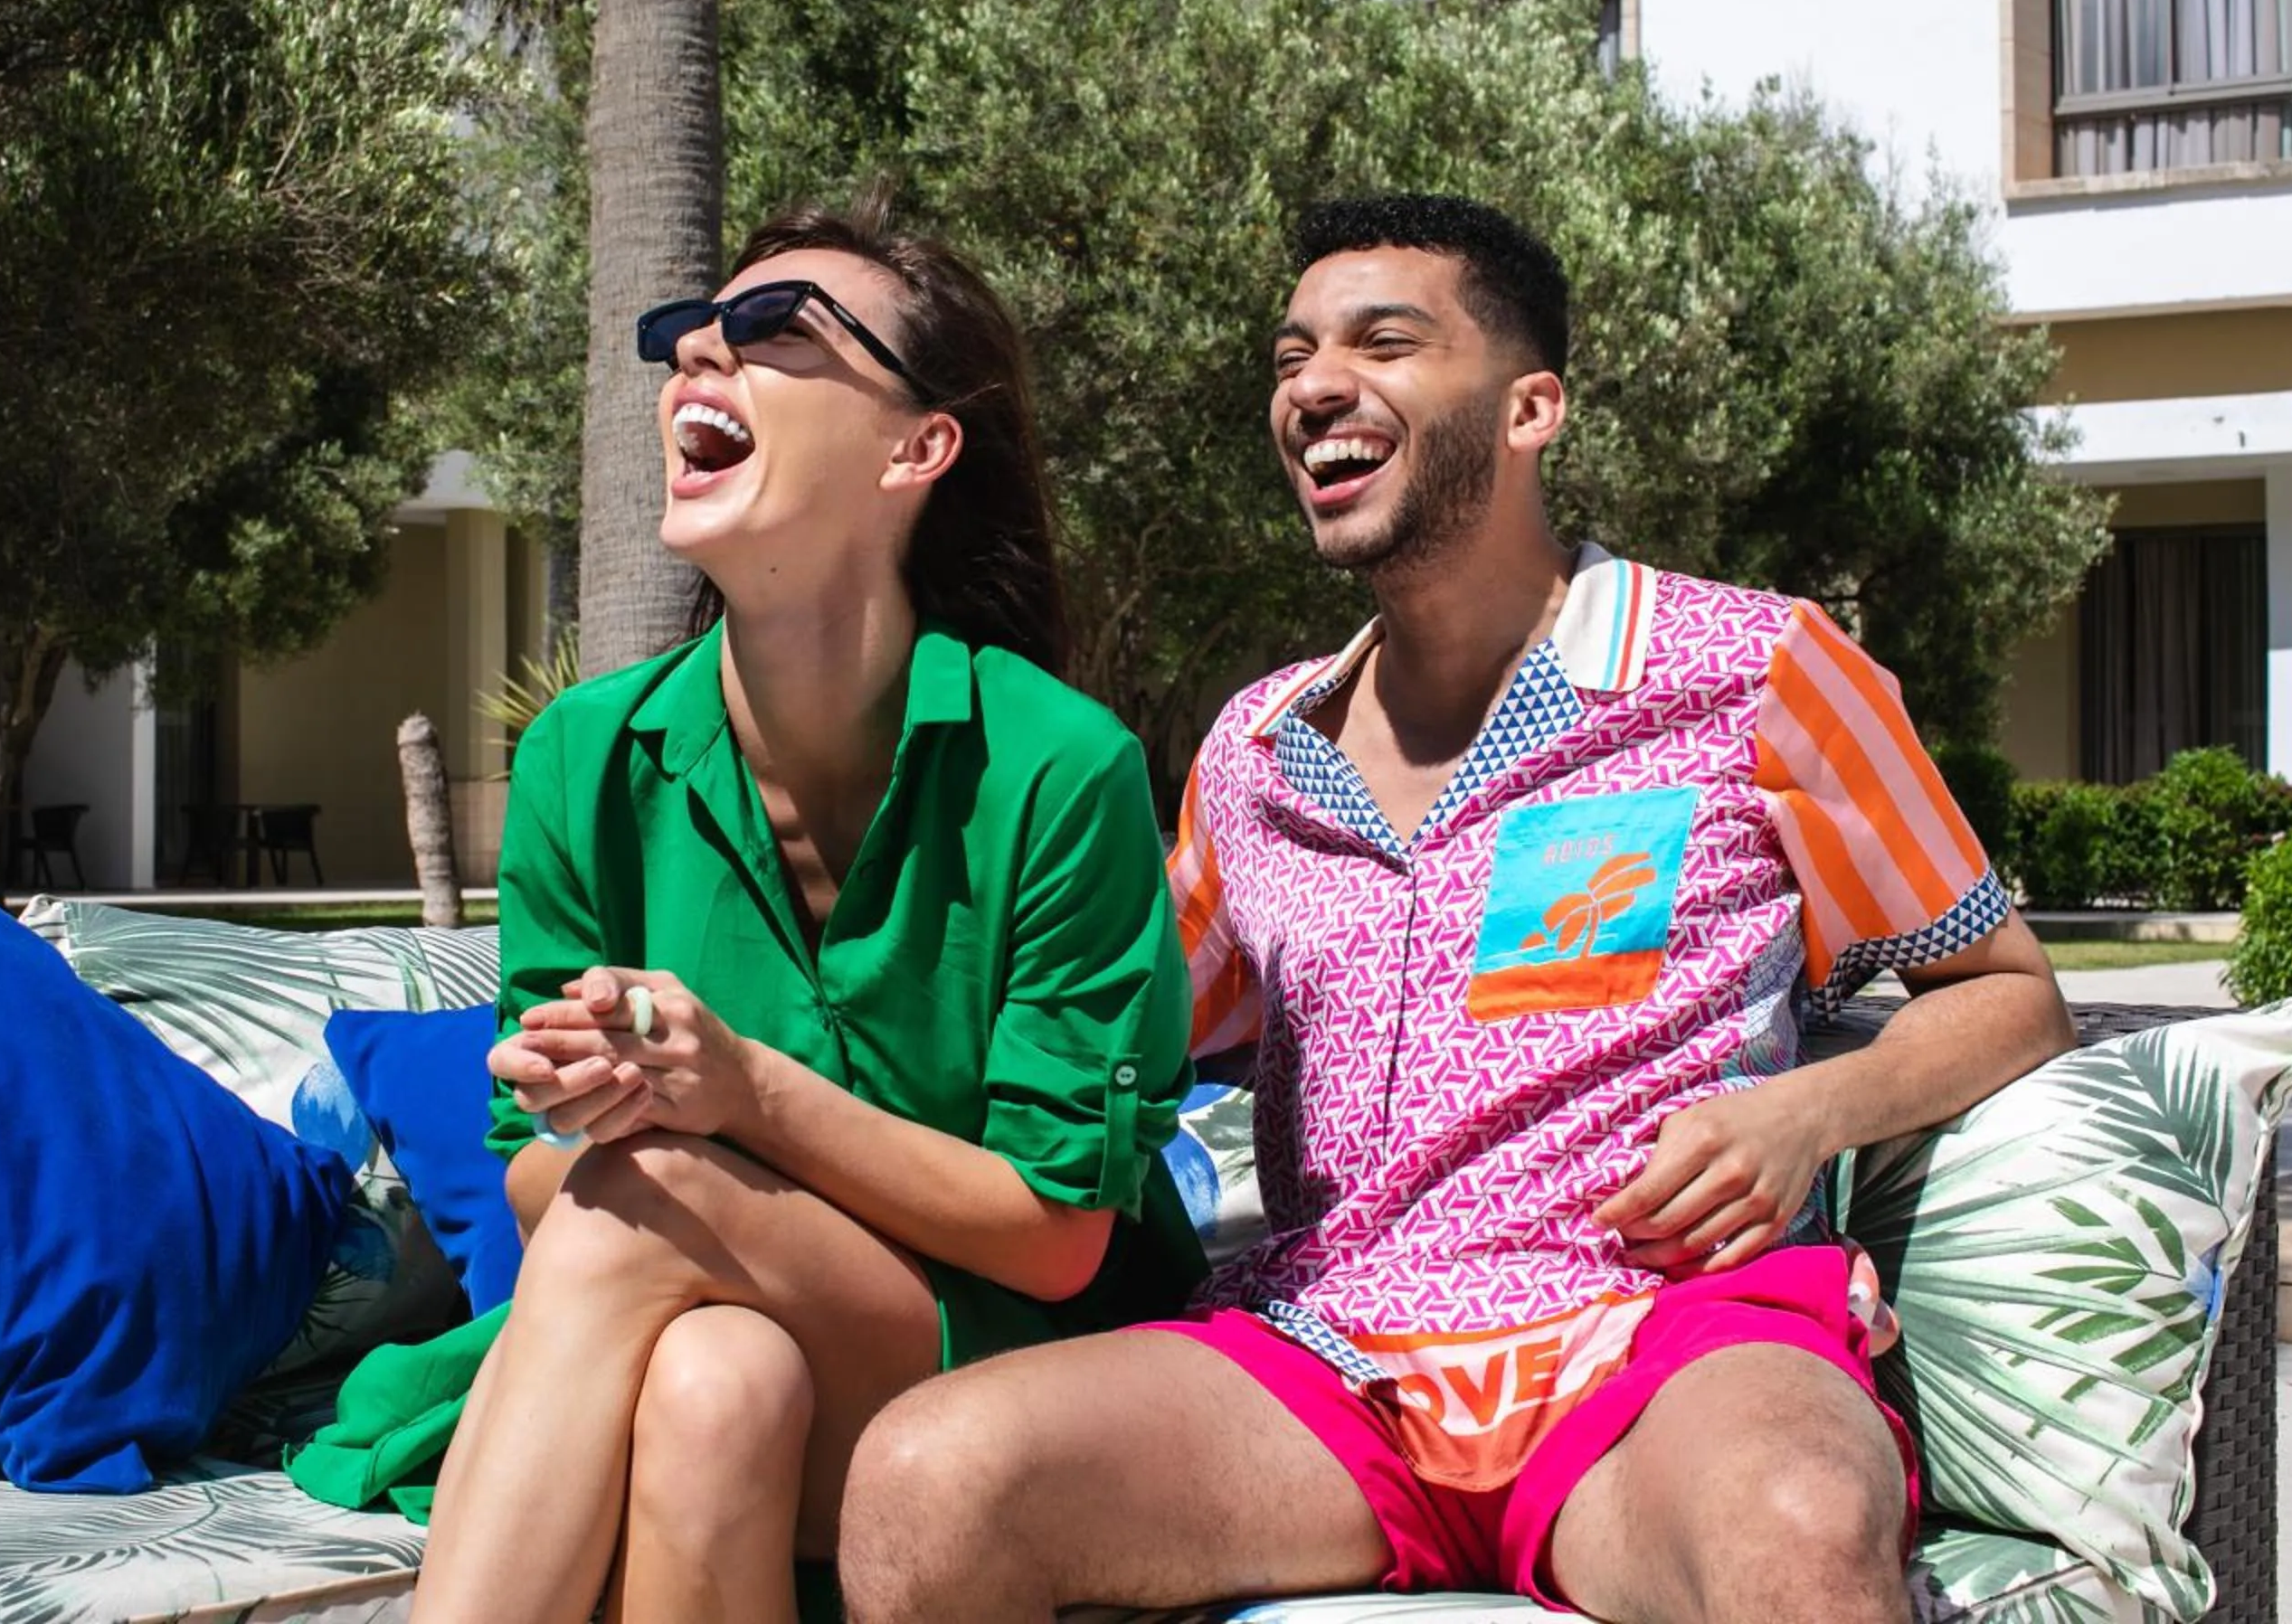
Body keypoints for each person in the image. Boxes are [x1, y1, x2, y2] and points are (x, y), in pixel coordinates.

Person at [838, 194, 2077, 1624]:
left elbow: (2010, 990)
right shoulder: (1252, 755)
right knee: (929, 1477)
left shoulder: (1760, 671)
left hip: (1658, 1343)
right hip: (1323, 1368)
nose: (1313, 385)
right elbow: (1117, 1031)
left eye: (1384, 341)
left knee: (1795, 1529)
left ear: (1530, 407)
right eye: (1290, 354)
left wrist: (1804, 1116)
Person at [288, 196, 1204, 1624]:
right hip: (750, 1359)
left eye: (775, 334)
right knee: (720, 1385)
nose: (697, 361)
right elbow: (535, 1183)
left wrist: (735, 1095)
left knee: (657, 1199)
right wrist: (596, 1109)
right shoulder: (582, 758)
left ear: (918, 448)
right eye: (683, 340)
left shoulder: (1060, 770)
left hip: (1021, 1389)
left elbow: (1057, 1235)